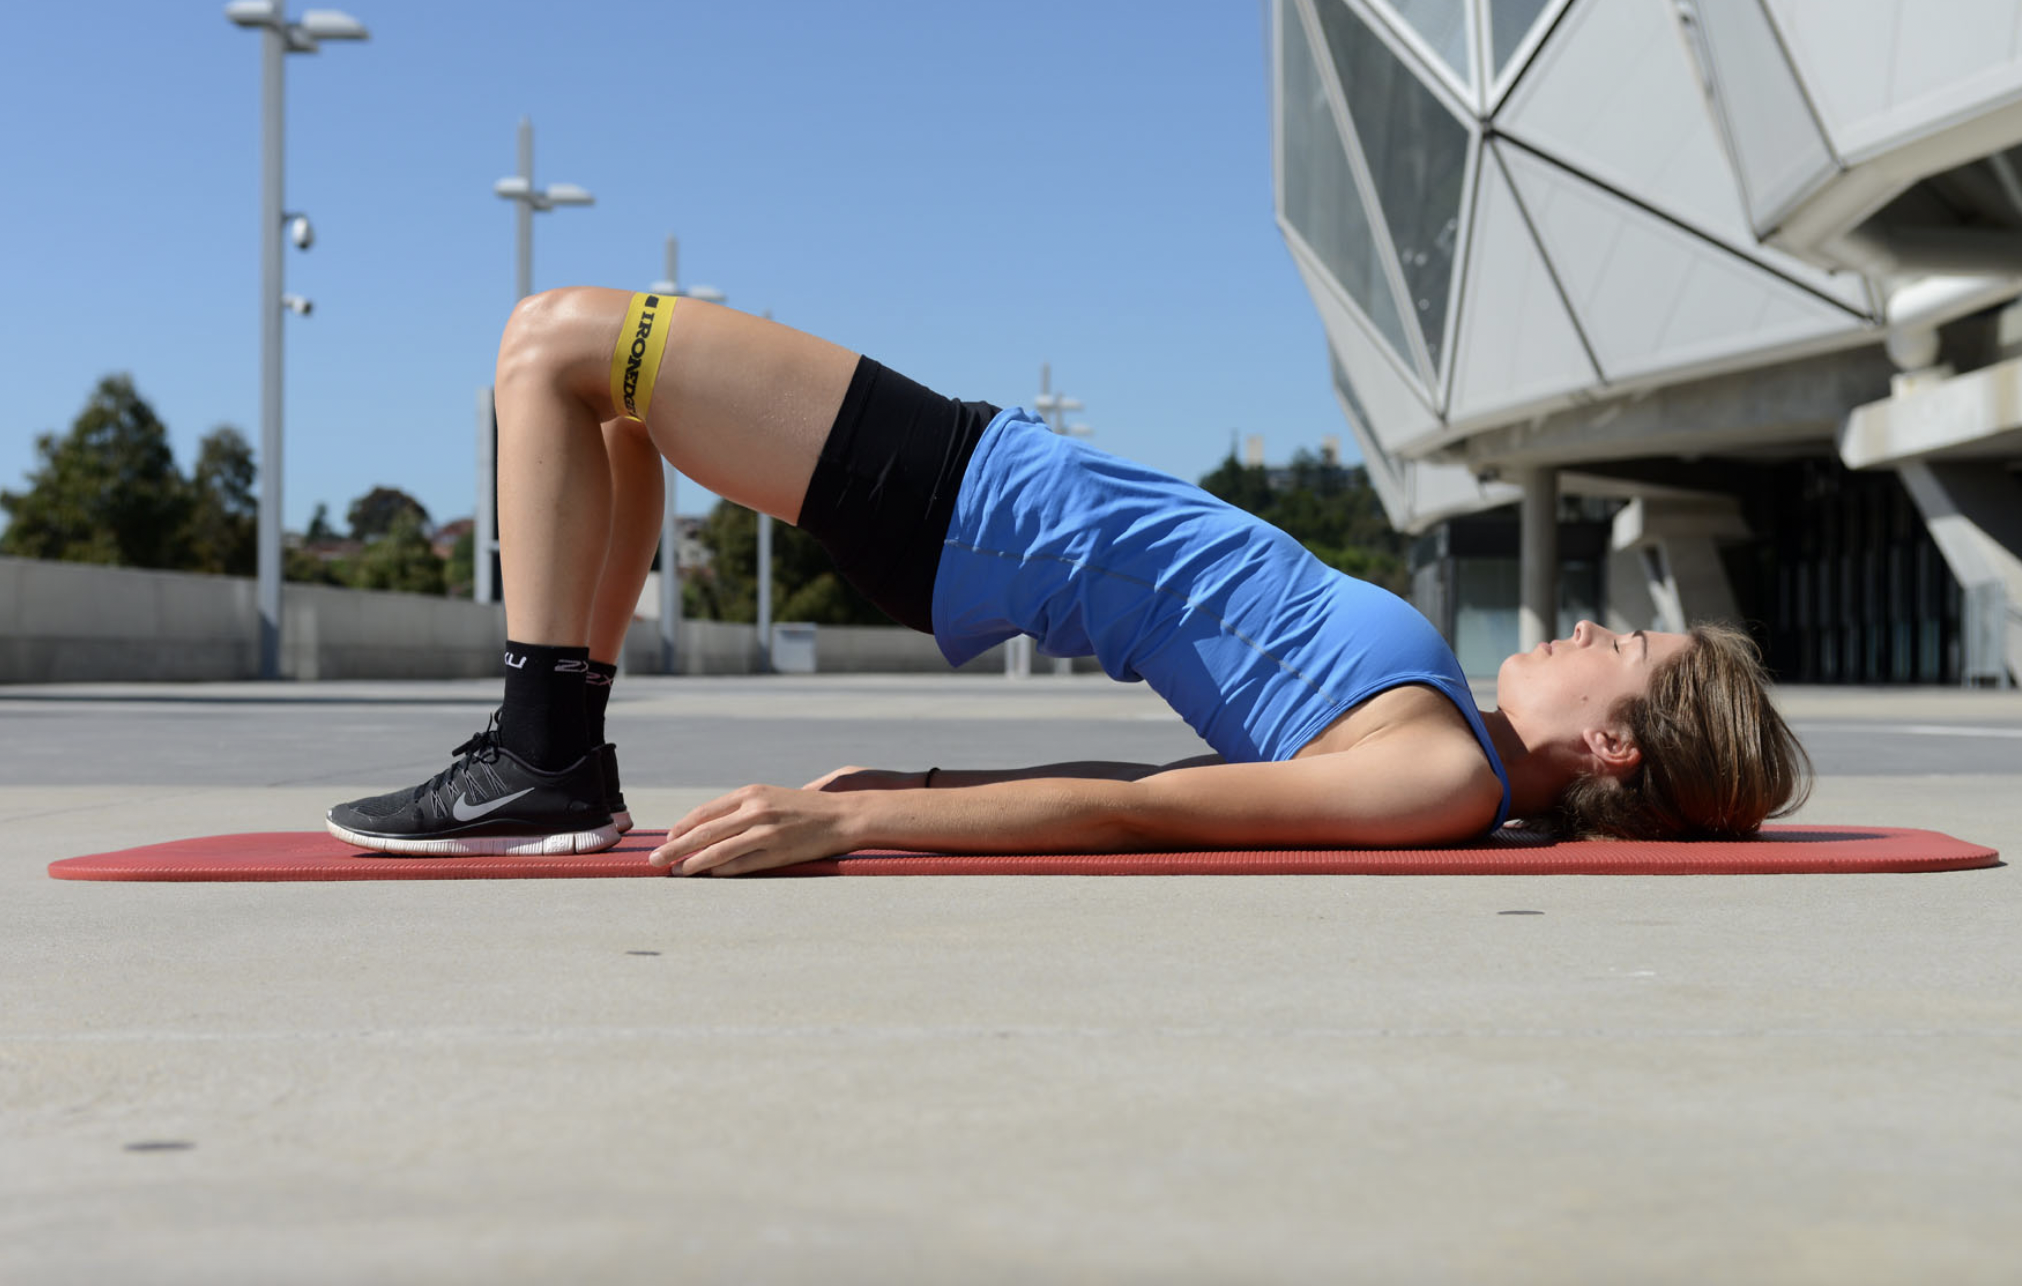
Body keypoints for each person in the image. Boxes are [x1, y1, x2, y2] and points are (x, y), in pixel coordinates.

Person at [326, 287, 1811, 873]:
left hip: (977, 503)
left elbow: (1144, 813)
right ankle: (555, 753)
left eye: (1620, 644)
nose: (1584, 627)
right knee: (612, 409)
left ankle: (537, 757)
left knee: (557, 340)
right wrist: (908, 778)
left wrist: (847, 820)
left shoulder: (1430, 780)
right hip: (987, 494)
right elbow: (1157, 765)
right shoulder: (1452, 755)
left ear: (1611, 744)